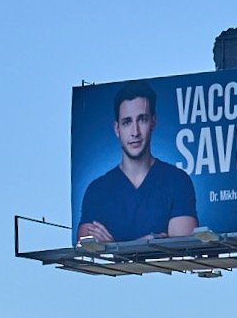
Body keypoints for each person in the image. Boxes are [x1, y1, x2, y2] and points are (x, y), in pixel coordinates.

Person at [76, 81, 198, 243]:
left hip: (166, 270)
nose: (135, 132)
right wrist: (149, 241)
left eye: (142, 120)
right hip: (115, 270)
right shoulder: (97, 190)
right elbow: (86, 246)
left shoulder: (177, 181)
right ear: (117, 128)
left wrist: (114, 246)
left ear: (153, 122)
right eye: (127, 122)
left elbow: (183, 244)